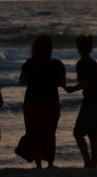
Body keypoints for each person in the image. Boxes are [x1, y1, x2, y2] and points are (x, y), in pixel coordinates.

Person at [15, 34, 66, 169]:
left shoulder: (29, 64)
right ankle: (50, 163)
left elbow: (21, 81)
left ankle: (38, 164)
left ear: (35, 48)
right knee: (50, 133)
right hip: (51, 102)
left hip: (32, 102)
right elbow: (62, 83)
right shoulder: (58, 64)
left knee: (33, 132)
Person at [64, 34, 97, 168]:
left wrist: (71, 89)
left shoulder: (82, 63)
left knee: (78, 133)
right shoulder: (94, 63)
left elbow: (84, 83)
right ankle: (94, 163)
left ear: (78, 48)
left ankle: (88, 162)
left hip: (91, 101)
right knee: (93, 135)